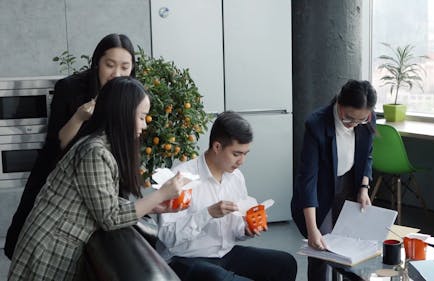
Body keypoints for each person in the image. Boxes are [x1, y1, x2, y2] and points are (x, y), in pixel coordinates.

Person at [8, 77, 189, 280]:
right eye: (141, 117)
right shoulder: (95, 153)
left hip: (52, 243)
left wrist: (153, 207)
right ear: (122, 114)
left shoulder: (98, 146)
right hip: (48, 249)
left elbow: (101, 201)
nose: (144, 126)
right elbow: (109, 217)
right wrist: (160, 195)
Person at [4, 33, 136, 259]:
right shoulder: (70, 88)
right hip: (56, 177)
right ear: (97, 64)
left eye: (125, 67)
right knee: (27, 245)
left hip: (98, 181)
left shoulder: (129, 94)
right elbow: (56, 145)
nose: (117, 74)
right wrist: (78, 117)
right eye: (110, 65)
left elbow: (126, 145)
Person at [156, 111, 297, 281]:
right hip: (184, 259)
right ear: (217, 147)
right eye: (236, 154)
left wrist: (247, 229)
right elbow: (169, 238)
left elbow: (234, 230)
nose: (241, 161)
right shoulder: (181, 177)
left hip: (224, 254)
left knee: (285, 263)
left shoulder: (236, 178)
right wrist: (207, 214)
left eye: (246, 154)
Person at [290, 79, 377, 281]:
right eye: (349, 119)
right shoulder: (317, 124)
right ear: (339, 104)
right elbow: (308, 179)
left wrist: (364, 187)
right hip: (320, 190)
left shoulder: (367, 118)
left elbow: (367, 155)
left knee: (353, 251)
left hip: (350, 183)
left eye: (360, 120)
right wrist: (312, 230)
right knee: (322, 251)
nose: (354, 124)